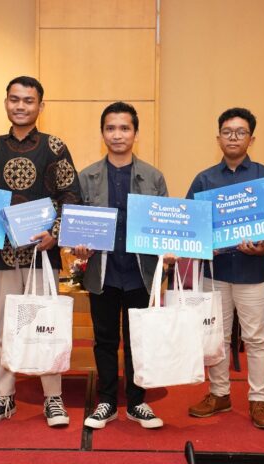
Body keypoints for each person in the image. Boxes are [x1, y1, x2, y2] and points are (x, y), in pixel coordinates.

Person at [0, 76, 82, 427]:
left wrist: (55, 233)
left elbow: (71, 196)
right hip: (0, 256)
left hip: (41, 256)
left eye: (29, 100)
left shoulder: (55, 147)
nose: (21, 106)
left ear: (40, 106)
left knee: (45, 326)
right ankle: (4, 397)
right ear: (6, 102)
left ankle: (53, 399)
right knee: (5, 329)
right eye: (15, 99)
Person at [185, 107, 264, 430]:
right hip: (215, 272)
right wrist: (205, 243)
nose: (233, 137)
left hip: (252, 271)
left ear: (251, 138)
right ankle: (219, 394)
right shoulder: (204, 179)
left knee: (256, 338)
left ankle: (259, 400)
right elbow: (191, 224)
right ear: (218, 138)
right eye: (227, 132)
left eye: (240, 132)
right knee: (217, 337)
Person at [74, 102, 167, 430]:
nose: (117, 134)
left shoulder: (153, 177)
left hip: (140, 272)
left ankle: (137, 402)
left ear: (135, 133)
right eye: (111, 128)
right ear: (102, 133)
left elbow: (164, 225)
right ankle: (107, 402)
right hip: (103, 271)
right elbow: (76, 226)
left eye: (124, 128)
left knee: (138, 339)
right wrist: (79, 245)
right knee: (104, 340)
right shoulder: (87, 177)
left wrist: (170, 247)